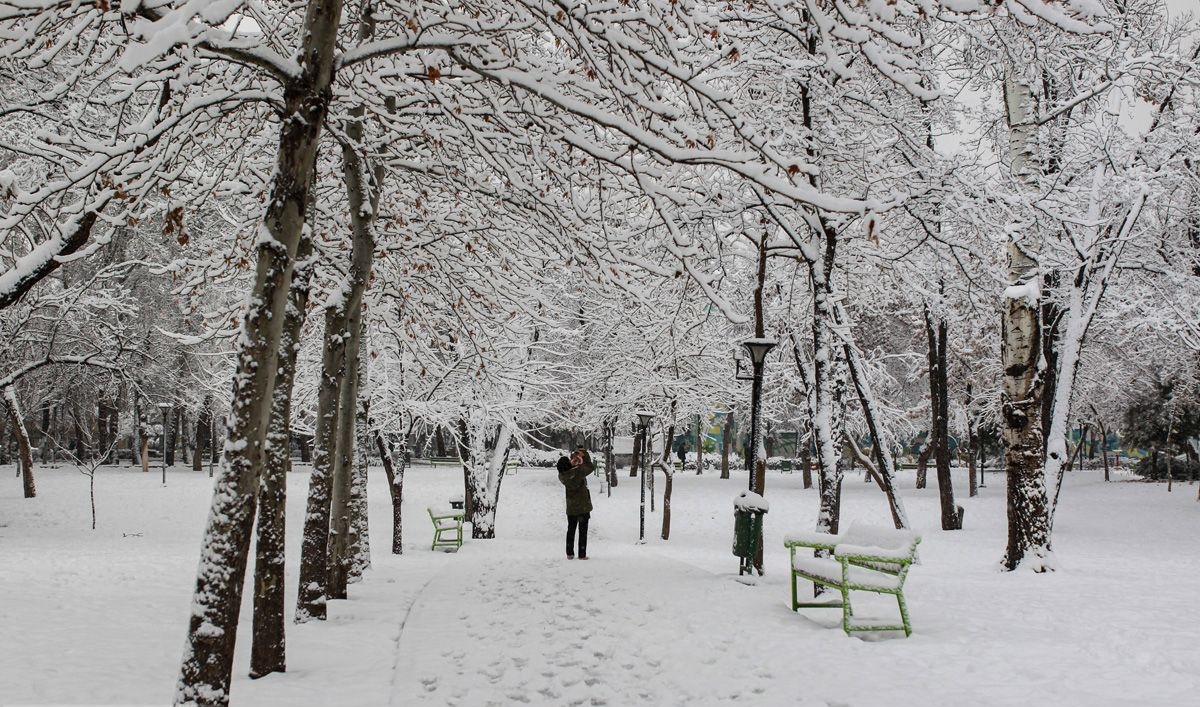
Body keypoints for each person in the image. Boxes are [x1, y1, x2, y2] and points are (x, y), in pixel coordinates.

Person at [557, 446, 593, 560]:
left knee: (571, 530)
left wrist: (574, 463)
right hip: (582, 506)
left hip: (571, 507)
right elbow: (591, 467)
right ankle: (582, 554)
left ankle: (569, 553)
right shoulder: (578, 472)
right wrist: (583, 456)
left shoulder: (563, 475)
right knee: (583, 531)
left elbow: (572, 470)